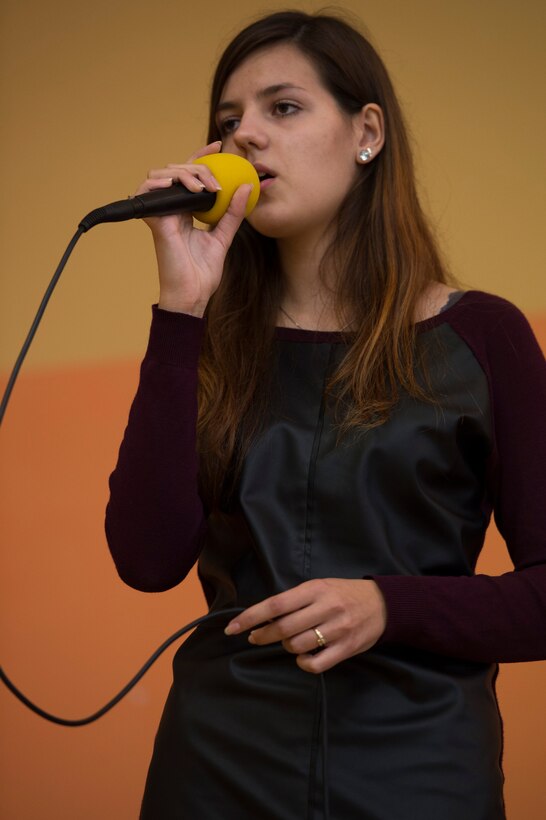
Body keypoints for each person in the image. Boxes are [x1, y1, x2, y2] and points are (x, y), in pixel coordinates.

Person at [105, 10, 546, 819]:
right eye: (227, 124)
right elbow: (145, 560)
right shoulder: (204, 340)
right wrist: (180, 309)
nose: (247, 139)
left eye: (283, 108)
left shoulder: (486, 336)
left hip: (420, 771)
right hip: (217, 766)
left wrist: (389, 605)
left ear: (366, 131)